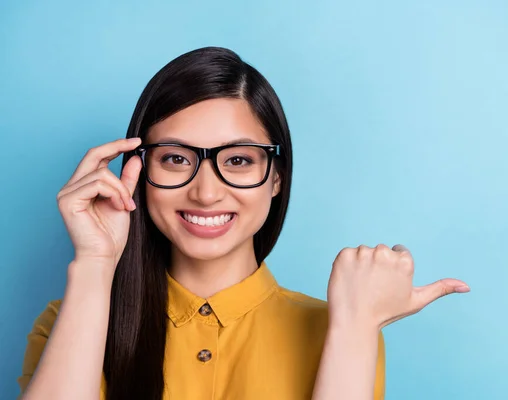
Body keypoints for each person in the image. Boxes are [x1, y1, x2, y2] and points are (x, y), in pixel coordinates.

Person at [17, 46, 469, 400]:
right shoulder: (69, 321)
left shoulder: (341, 329)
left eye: (237, 160)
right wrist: (95, 263)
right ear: (138, 173)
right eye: (176, 158)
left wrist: (354, 327)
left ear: (275, 177)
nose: (207, 192)